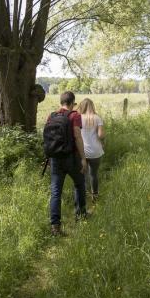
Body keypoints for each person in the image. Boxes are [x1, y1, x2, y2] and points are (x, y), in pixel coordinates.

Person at [45, 91, 88, 236]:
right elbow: (77, 136)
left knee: (56, 192)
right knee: (79, 183)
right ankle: (80, 215)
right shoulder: (74, 115)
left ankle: (55, 226)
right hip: (72, 158)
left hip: (55, 158)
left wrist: (50, 157)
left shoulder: (51, 116)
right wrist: (83, 158)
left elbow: (49, 139)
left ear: (61, 102)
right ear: (71, 103)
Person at [77, 98, 105, 202]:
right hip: (95, 151)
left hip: (81, 151)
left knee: (82, 176)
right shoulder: (97, 118)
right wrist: (103, 140)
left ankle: (82, 198)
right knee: (94, 175)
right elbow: (101, 135)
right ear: (92, 106)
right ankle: (95, 197)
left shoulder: (78, 118)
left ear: (82, 106)